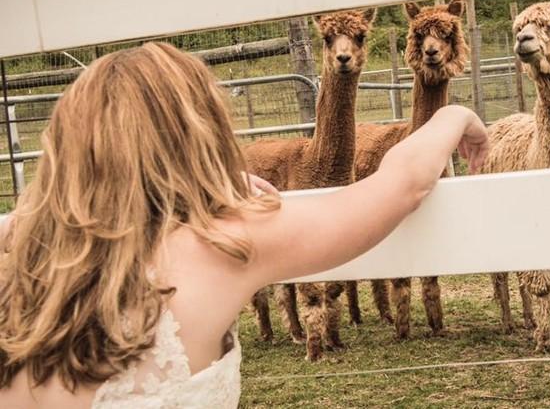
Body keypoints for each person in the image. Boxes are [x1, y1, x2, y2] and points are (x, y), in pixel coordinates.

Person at [0, 42, 489, 408]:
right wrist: (453, 114)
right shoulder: (225, 247)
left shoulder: (16, 252)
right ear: (198, 133)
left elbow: (46, 208)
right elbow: (401, 185)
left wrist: (201, 189)